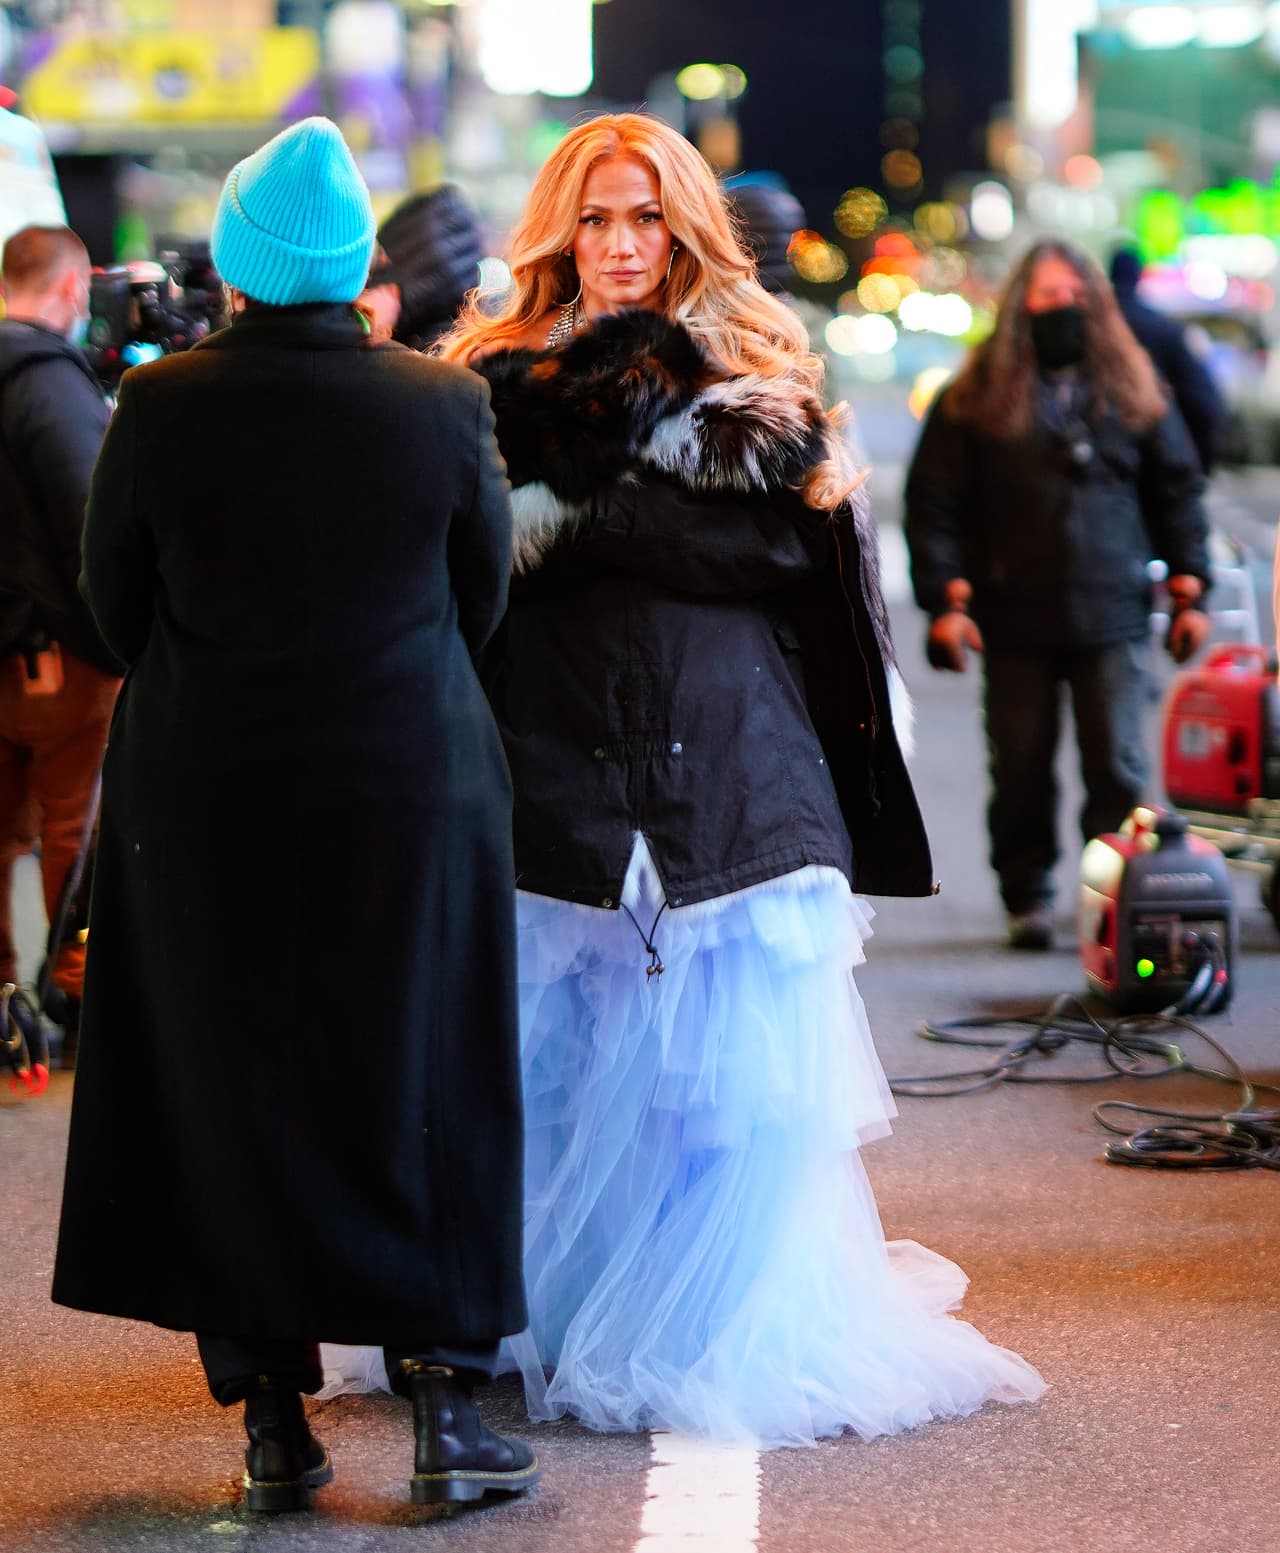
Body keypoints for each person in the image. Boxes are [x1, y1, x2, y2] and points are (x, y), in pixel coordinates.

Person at [423, 111, 1044, 1447]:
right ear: (558, 228)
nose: (621, 243)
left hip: (735, 765)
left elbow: (802, 579)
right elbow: (453, 581)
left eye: (646, 215)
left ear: (686, 224)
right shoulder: (482, 379)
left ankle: (696, 1325)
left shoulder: (761, 379)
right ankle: (541, 1315)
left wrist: (584, 522)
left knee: (722, 1086)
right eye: (595, 216)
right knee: (554, 1067)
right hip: (542, 758)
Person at [51, 117, 539, 1512]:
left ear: (245, 265)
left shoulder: (161, 406)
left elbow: (115, 609)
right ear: (354, 265)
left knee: (230, 1079)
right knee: (422, 1067)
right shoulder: (439, 404)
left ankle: (273, 1414)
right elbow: (482, 596)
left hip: (208, 791)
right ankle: (447, 1406)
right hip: (408, 785)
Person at [905, 238, 1212, 950]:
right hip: (1015, 617)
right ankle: (1028, 894)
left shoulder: (1136, 392)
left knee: (1118, 767)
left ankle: (1112, 894)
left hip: (1114, 610)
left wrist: (1190, 586)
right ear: (1020, 308)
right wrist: (945, 601)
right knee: (1019, 768)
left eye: (1073, 297)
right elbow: (935, 504)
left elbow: (1178, 490)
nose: (1060, 310)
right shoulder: (972, 398)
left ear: (1097, 307)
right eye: (1045, 297)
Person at [0, 224, 120, 1062]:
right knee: (77, 831)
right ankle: (75, 1000)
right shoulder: (50, 381)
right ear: (74, 290)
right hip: (56, 660)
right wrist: (113, 639)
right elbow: (95, 518)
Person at [1109, 246, 1227, 475]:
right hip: (1157, 462)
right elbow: (1205, 403)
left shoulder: (1093, 329)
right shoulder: (1164, 329)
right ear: (1139, 276)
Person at [357, 184, 484, 349]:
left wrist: (364, 328)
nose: (375, 263)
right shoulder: (457, 345)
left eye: (383, 254)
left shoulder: (379, 318)